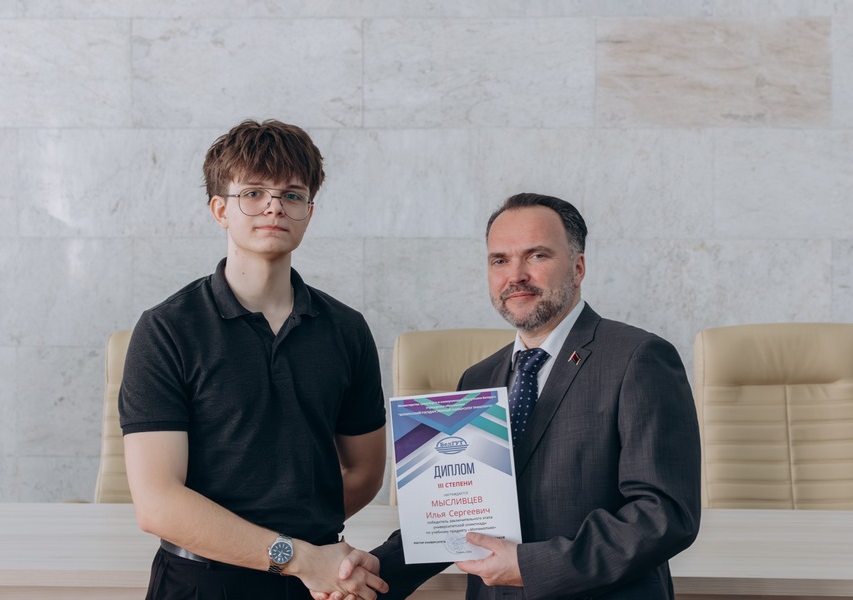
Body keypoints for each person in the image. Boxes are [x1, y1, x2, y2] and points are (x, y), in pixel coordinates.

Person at [322, 193, 701, 599]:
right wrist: (379, 571)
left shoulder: (638, 358)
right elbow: (454, 515)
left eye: (536, 255)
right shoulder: (478, 378)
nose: (516, 275)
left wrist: (529, 566)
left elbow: (664, 514)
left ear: (578, 267)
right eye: (500, 260)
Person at [119, 119, 388, 600]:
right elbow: (157, 502)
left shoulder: (347, 329)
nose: (274, 206)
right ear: (220, 209)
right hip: (201, 582)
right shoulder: (166, 329)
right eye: (253, 193)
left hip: (318, 583)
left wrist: (303, 542)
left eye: (292, 195)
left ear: (308, 212)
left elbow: (365, 471)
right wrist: (289, 554)